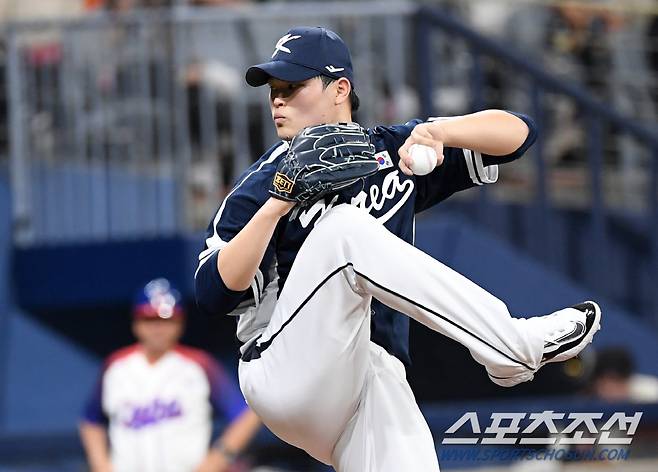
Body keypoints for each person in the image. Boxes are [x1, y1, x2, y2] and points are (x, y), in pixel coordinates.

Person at [194, 26, 602, 471]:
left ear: (340, 90)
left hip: (370, 382)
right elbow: (213, 292)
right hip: (285, 368)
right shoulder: (263, 183)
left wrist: (437, 132)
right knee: (344, 229)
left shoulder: (390, 150)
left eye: (291, 86)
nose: (277, 99)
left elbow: (521, 133)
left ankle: (507, 351)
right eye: (274, 89)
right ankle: (510, 347)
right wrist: (279, 202)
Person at [79, 278, 261, 472]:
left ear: (180, 323)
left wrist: (219, 457)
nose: (157, 328)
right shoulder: (115, 366)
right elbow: (91, 421)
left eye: (166, 320)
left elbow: (247, 414)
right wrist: (100, 464)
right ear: (136, 323)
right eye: (149, 319)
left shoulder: (199, 365)